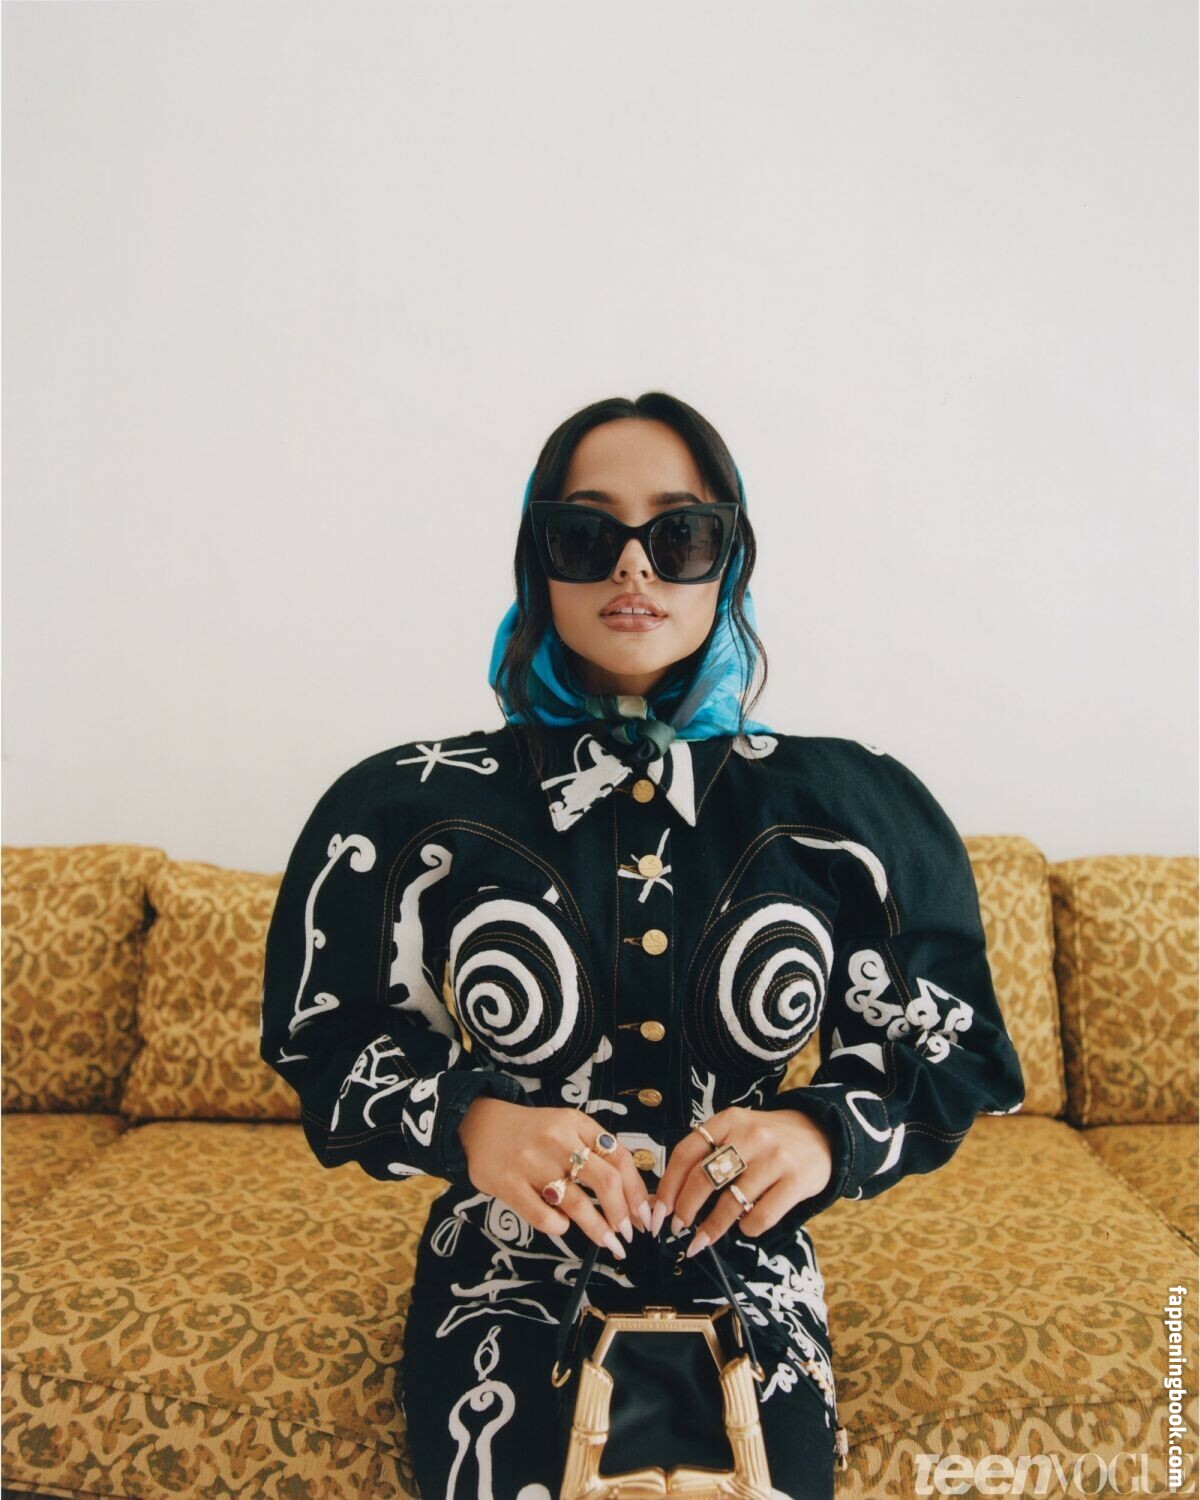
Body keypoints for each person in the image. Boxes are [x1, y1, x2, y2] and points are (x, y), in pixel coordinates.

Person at [258, 392, 1026, 1499]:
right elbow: (324, 1040)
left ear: (729, 559)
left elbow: (954, 1049)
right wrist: (475, 1120)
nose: (634, 566)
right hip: (501, 1278)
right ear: (538, 560)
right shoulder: (410, 808)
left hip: (749, 1274)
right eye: (586, 534)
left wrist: (819, 1134)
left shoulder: (849, 811)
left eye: (681, 534)